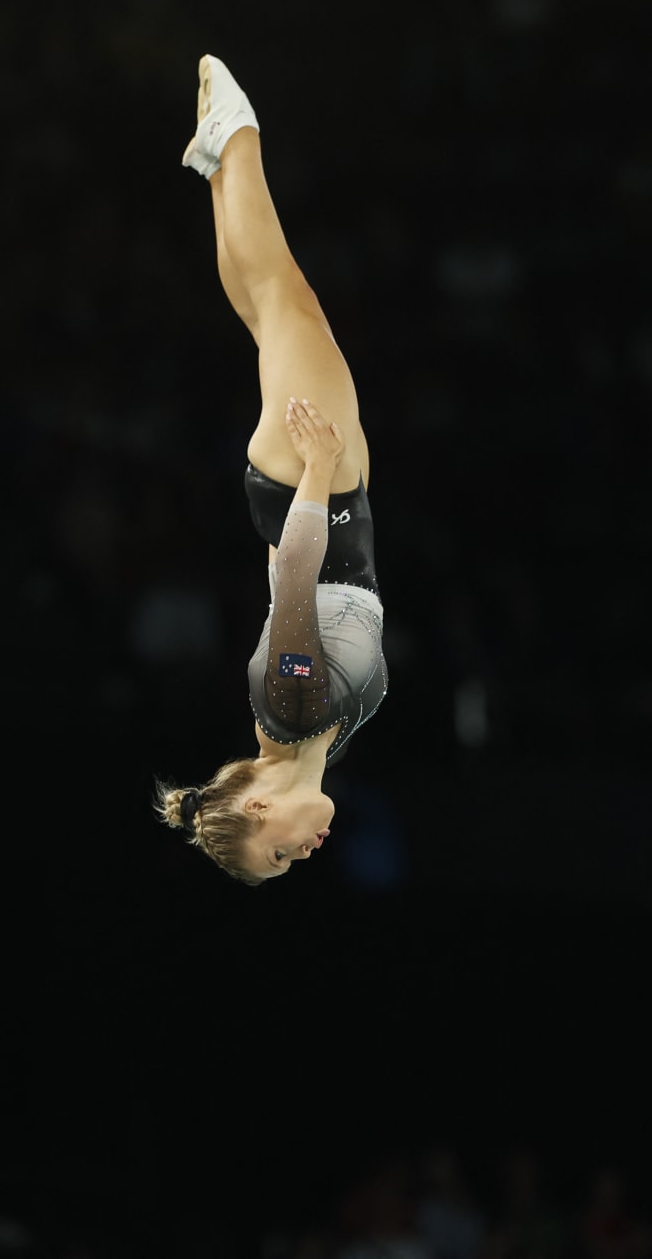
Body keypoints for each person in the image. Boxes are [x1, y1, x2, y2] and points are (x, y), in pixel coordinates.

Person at [154, 55, 388, 884]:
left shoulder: (290, 714)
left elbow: (292, 580)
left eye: (280, 850)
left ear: (256, 805)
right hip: (301, 495)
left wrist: (320, 474)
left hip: (313, 488)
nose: (305, 850)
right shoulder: (297, 730)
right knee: (271, 309)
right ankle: (219, 163)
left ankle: (235, 135)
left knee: (284, 298)